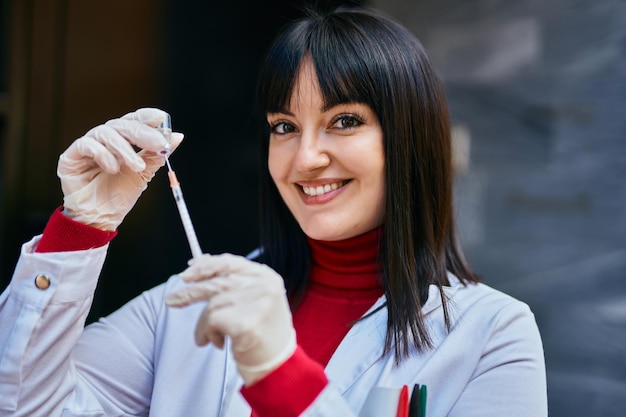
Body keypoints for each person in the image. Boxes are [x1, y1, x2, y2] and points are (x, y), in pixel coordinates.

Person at [0, 5, 547, 417]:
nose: (305, 158)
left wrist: (278, 370)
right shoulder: (188, 305)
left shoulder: (492, 334)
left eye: (345, 120)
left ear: (410, 139)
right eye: (284, 127)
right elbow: (23, 404)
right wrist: (80, 230)